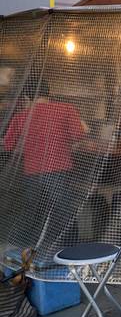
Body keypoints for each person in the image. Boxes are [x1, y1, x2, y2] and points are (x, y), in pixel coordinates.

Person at [3, 82, 86, 248]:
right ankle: (69, 247)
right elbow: (78, 135)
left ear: (27, 97)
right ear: (49, 93)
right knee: (63, 210)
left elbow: (8, 144)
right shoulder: (65, 108)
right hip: (58, 168)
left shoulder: (21, 116)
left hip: (31, 171)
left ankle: (24, 248)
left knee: (31, 210)